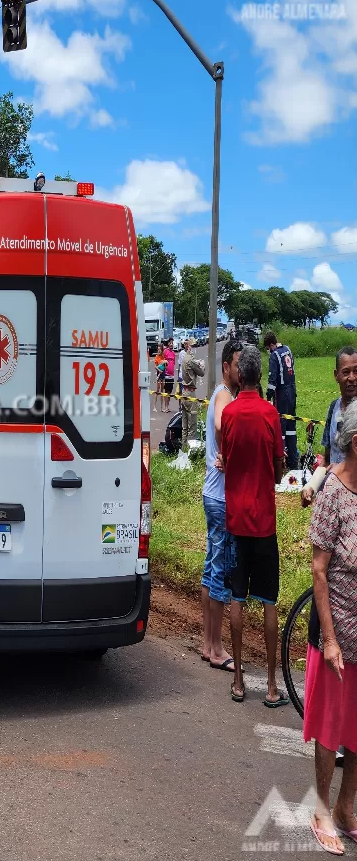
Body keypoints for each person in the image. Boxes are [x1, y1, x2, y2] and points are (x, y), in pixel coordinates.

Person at [303, 400, 357, 855]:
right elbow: (319, 572)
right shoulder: (333, 495)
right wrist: (332, 640)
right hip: (336, 630)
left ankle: (345, 809)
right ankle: (322, 811)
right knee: (330, 726)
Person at [221, 344, 288, 706]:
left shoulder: (229, 414)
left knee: (237, 596)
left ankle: (238, 680)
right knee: (269, 601)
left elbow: (226, 459)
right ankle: (274, 687)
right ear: (259, 375)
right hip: (264, 521)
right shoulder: (271, 415)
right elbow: (278, 468)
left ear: (239, 374)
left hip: (236, 519)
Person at [201, 340, 242, 671]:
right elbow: (220, 423)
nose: (241, 370)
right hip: (220, 498)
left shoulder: (223, 393)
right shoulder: (225, 395)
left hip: (212, 495)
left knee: (210, 566)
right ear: (226, 365)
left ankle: (207, 642)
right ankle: (216, 648)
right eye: (238, 364)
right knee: (219, 570)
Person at [265, 330, 299, 470]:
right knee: (291, 426)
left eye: (268, 348)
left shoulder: (275, 355)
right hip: (292, 391)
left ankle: (281, 463)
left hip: (282, 394)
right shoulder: (287, 350)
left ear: (271, 344)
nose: (268, 351)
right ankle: (293, 461)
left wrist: (268, 396)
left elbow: (272, 378)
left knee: (281, 428)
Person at [180, 337, 205, 450]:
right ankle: (191, 452)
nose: (195, 348)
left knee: (184, 425)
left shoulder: (184, 358)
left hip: (184, 392)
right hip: (190, 394)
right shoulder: (191, 360)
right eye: (193, 346)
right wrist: (202, 364)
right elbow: (201, 373)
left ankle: (184, 449)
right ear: (189, 347)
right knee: (192, 425)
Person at [162, 338, 177, 413]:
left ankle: (168, 406)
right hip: (166, 375)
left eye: (172, 343)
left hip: (172, 375)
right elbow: (162, 362)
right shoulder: (165, 352)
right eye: (170, 343)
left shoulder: (173, 353)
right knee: (166, 391)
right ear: (168, 344)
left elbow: (173, 363)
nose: (171, 344)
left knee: (170, 392)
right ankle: (166, 407)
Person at [154, 347, 167, 412]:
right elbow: (155, 366)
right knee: (157, 390)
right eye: (158, 349)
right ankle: (154, 406)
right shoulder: (157, 357)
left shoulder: (163, 356)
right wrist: (159, 370)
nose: (158, 351)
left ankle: (162, 407)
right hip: (159, 374)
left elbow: (165, 365)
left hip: (163, 374)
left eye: (160, 349)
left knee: (162, 391)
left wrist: (165, 365)